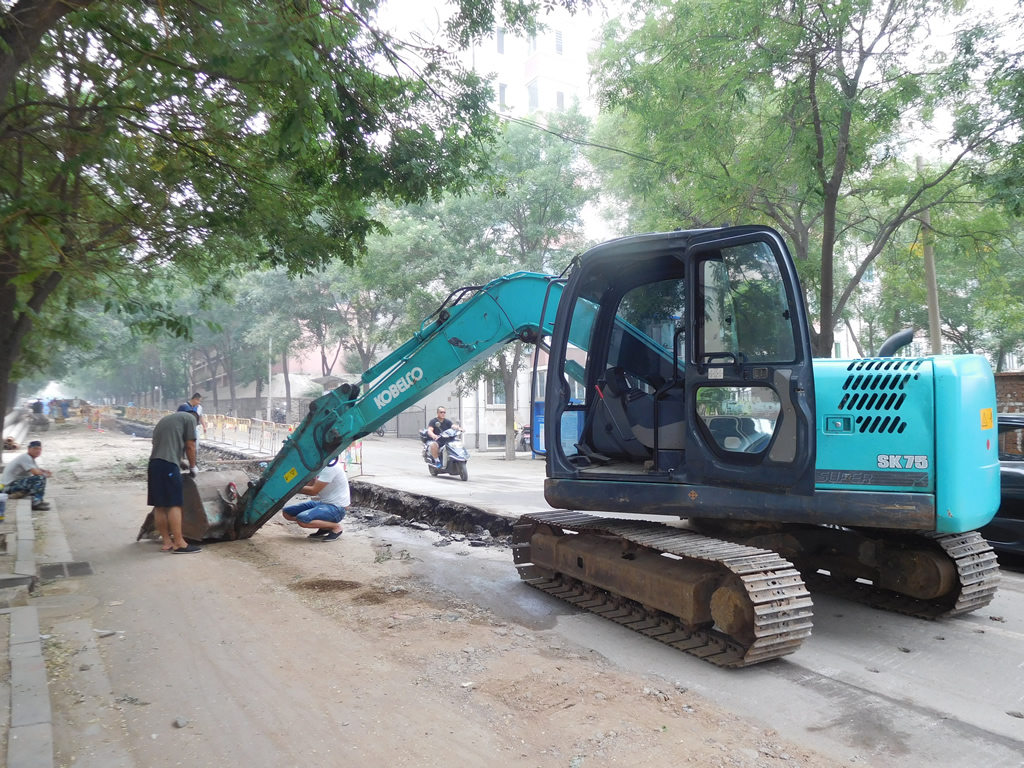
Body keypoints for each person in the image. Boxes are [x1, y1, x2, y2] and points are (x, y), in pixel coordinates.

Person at [147, 409, 201, 553]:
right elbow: (190, 445)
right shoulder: (191, 418)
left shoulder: (165, 421)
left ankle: (167, 542)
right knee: (174, 504)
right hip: (168, 466)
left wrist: (179, 460)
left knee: (159, 505)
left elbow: (164, 445)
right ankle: (179, 543)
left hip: (154, 464)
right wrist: (193, 466)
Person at [281, 457, 349, 541]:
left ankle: (336, 527)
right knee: (287, 513)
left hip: (337, 508)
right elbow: (310, 484)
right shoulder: (318, 465)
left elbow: (313, 490)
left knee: (302, 520)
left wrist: (291, 488)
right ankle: (324, 526)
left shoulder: (330, 467)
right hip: (324, 503)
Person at [1, 440, 53, 511]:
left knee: (38, 478)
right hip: (8, 486)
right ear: (29, 449)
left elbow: (39, 470)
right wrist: (45, 474)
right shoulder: (25, 457)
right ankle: (36, 502)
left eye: (40, 449)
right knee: (40, 478)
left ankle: (35, 499)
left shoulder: (31, 459)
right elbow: (36, 472)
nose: (38, 451)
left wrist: (44, 472)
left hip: (14, 485)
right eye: (35, 448)